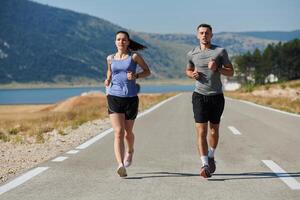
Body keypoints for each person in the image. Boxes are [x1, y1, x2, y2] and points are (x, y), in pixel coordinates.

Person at [185, 24, 234, 178]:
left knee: (213, 130)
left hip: (216, 96)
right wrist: (192, 74)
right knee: (201, 131)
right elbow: (188, 70)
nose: (204, 35)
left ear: (211, 35)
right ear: (197, 35)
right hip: (199, 96)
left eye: (207, 33)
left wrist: (217, 68)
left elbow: (231, 72)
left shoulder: (220, 51)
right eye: (201, 33)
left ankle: (211, 155)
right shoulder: (191, 53)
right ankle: (205, 164)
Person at [104, 31, 151, 177]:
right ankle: (120, 165)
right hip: (113, 96)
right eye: (118, 39)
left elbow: (147, 72)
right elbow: (109, 73)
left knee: (127, 133)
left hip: (130, 98)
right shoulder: (110, 58)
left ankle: (130, 151)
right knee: (118, 132)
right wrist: (107, 80)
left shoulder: (134, 57)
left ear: (128, 42)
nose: (121, 42)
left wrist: (136, 75)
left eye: (124, 40)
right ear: (115, 41)